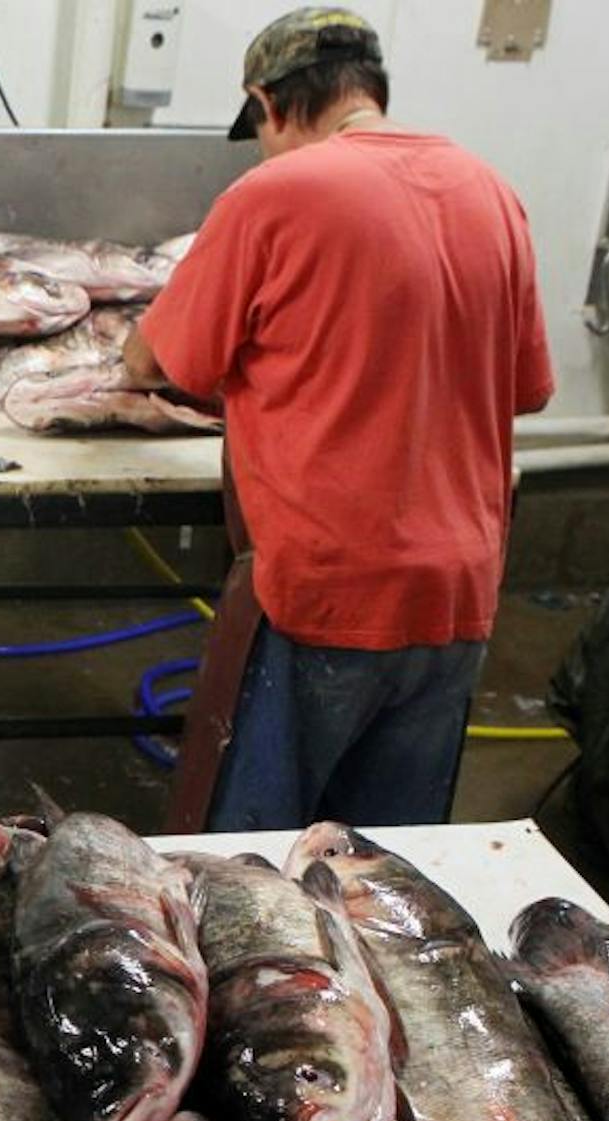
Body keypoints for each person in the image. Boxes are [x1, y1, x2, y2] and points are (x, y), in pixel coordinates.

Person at [126, 7, 554, 833]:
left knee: (255, 872)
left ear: (269, 102)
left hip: (326, 591)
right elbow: (526, 387)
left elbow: (159, 364)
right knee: (383, 871)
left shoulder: (275, 194)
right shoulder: (491, 190)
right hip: (458, 594)